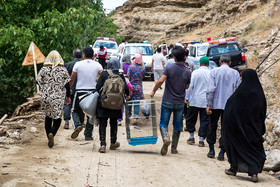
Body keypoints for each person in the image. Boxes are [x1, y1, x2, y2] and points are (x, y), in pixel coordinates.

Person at [223, 69, 266, 182]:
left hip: (238, 129)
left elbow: (229, 109)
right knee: (253, 149)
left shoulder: (239, 94)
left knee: (236, 146)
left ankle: (234, 168)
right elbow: (263, 111)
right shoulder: (259, 93)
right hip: (253, 129)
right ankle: (254, 173)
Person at [150, 46, 191, 156]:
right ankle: (174, 148)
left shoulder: (169, 67)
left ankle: (166, 138)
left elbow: (160, 81)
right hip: (179, 102)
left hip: (167, 100)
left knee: (163, 123)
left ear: (175, 57)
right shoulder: (187, 71)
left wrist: (153, 91)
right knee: (177, 125)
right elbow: (187, 87)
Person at [206, 54, 240, 161]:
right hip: (228, 106)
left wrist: (208, 104)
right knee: (225, 128)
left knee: (212, 126)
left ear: (220, 62)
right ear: (230, 63)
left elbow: (211, 89)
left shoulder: (214, 71)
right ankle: (222, 152)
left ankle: (211, 150)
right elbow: (238, 90)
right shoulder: (235, 73)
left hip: (215, 104)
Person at [37, 50, 71, 148]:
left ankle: (49, 136)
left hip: (45, 97)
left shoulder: (44, 70)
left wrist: (45, 87)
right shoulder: (63, 70)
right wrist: (68, 96)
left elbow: (37, 81)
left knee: (47, 118)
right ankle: (52, 133)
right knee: (57, 118)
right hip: (58, 98)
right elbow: (67, 85)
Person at [96, 57, 129, 153]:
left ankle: (102, 144)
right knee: (113, 122)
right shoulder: (120, 75)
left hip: (104, 103)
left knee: (103, 123)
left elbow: (97, 88)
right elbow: (126, 89)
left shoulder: (104, 74)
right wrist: (127, 95)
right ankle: (113, 142)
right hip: (116, 104)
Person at [69, 46, 103, 141]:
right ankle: (88, 135)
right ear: (93, 56)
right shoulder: (97, 65)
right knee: (91, 113)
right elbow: (103, 75)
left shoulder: (78, 65)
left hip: (79, 91)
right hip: (92, 92)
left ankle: (77, 125)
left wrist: (69, 89)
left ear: (83, 55)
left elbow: (72, 78)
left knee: (74, 110)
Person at [185, 56, 210, 147]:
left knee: (191, 118)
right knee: (204, 120)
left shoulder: (195, 73)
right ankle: (201, 140)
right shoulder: (211, 73)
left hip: (194, 100)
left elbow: (190, 87)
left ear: (199, 64)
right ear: (208, 64)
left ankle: (191, 137)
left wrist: (187, 97)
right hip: (205, 101)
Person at [63, 48, 82, 129]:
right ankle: (81, 122)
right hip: (80, 88)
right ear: (81, 56)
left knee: (67, 103)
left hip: (70, 88)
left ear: (73, 55)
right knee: (79, 105)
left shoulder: (67, 65)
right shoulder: (83, 65)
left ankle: (67, 122)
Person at [127, 53, 145, 124]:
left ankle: (128, 117)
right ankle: (135, 118)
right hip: (138, 87)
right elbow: (143, 76)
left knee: (129, 102)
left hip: (131, 87)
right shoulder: (143, 68)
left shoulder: (131, 67)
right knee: (137, 103)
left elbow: (128, 76)